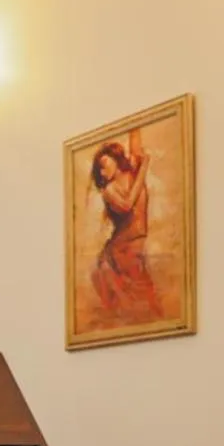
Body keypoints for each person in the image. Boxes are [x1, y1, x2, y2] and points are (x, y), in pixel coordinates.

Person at [88, 131, 162, 324]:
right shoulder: (109, 190)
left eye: (103, 166)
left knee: (145, 298)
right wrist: (145, 167)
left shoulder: (132, 174)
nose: (103, 173)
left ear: (115, 158)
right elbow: (128, 204)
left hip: (132, 245)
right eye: (100, 171)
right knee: (135, 301)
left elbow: (135, 140)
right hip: (119, 250)